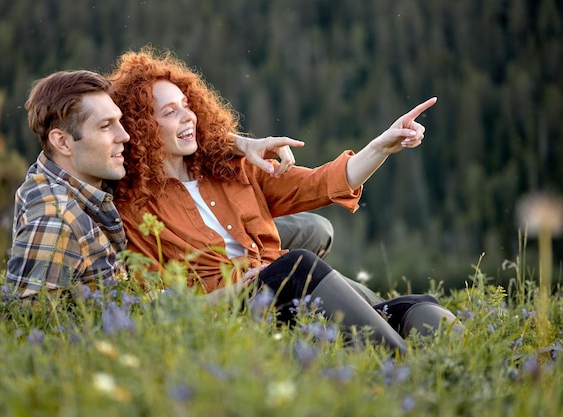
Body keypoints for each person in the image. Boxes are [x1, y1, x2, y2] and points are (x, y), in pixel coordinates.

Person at [108, 48, 462, 355]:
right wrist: (242, 287)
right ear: (141, 127)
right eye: (169, 112)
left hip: (286, 289)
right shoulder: (134, 208)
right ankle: (401, 367)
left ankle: (456, 367)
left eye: (187, 105)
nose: (188, 116)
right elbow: (162, 306)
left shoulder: (230, 167)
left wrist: (381, 146)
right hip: (236, 312)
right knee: (297, 265)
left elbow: (321, 183)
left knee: (416, 307)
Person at [5, 69, 331, 299]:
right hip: (178, 289)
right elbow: (26, 318)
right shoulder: (53, 216)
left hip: (177, 272)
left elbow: (161, 140)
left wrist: (237, 144)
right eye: (107, 127)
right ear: (62, 142)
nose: (126, 137)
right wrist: (230, 295)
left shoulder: (81, 168)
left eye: (122, 123)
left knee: (313, 229)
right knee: (296, 265)